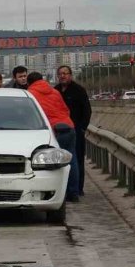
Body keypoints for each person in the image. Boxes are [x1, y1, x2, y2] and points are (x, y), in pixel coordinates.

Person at [27, 72, 80, 202]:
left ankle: (55, 194)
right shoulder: (54, 91)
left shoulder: (30, 94)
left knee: (53, 163)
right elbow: (66, 110)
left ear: (29, 82)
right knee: (72, 160)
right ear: (42, 80)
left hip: (54, 131)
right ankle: (74, 192)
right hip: (68, 126)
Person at [55, 65, 91, 197]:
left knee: (77, 159)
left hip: (76, 130)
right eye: (60, 74)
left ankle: (78, 188)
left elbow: (87, 110)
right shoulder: (56, 91)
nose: (63, 76)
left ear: (70, 75)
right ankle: (63, 189)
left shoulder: (79, 90)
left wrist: (82, 128)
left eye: (65, 73)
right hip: (59, 132)